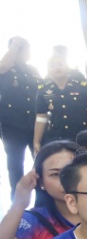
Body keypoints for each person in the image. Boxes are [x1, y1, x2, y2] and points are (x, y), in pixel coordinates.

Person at [0, 142, 79, 239]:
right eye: (55, 174)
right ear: (40, 181)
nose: (66, 180)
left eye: (72, 172)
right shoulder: (34, 222)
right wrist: (18, 205)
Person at [1, 36, 42, 195]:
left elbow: (43, 89)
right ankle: (17, 198)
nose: (28, 53)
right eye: (25, 49)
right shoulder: (5, 67)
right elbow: (3, 66)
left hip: (34, 122)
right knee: (15, 163)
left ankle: (42, 195)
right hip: (12, 124)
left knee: (40, 159)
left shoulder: (31, 69)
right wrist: (15, 44)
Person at [34, 54, 87, 151]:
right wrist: (36, 142)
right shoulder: (44, 91)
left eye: (60, 64)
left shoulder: (82, 88)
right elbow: (41, 118)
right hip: (58, 137)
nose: (57, 67)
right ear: (48, 71)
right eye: (52, 65)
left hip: (83, 135)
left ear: (68, 68)